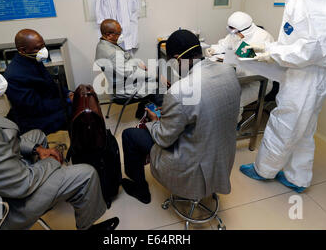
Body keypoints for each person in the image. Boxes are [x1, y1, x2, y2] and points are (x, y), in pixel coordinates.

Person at [0, 50, 119, 230]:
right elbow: (21, 184)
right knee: (85, 174)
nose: (0, 80)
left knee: (37, 136)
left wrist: (36, 149)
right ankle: (88, 228)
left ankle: (48, 191)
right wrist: (52, 161)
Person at [240, 0, 326, 193]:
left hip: (306, 77)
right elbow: (303, 42)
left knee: (285, 124)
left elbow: (309, 49)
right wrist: (269, 47)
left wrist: (273, 54)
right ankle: (298, 177)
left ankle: (264, 170)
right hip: (315, 74)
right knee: (304, 129)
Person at [121, 30, 240, 204]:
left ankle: (140, 190)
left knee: (130, 135)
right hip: (221, 158)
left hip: (192, 166)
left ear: (177, 58)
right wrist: (175, 110)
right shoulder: (229, 71)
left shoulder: (179, 91)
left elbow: (163, 138)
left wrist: (155, 121)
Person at [206, 11, 274, 122]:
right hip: (237, 77)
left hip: (259, 81)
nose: (232, 33)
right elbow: (224, 45)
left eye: (234, 31)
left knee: (234, 101)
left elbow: (260, 66)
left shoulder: (263, 38)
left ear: (245, 30)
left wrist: (235, 64)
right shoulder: (235, 34)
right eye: (230, 29)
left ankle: (232, 129)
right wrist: (214, 49)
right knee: (219, 95)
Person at [4, 29, 73, 135]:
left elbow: (50, 84)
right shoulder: (14, 76)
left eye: (43, 46)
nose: (43, 50)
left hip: (47, 105)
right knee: (77, 113)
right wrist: (67, 100)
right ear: (23, 50)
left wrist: (68, 93)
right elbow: (34, 108)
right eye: (38, 48)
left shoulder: (33, 59)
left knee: (82, 101)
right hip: (34, 118)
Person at [95, 19, 162, 118]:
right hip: (124, 91)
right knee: (160, 87)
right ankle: (158, 118)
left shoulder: (102, 45)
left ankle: (142, 111)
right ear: (109, 35)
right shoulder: (113, 53)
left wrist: (138, 63)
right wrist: (156, 77)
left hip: (118, 84)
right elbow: (131, 74)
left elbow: (124, 62)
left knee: (149, 78)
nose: (121, 35)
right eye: (119, 33)